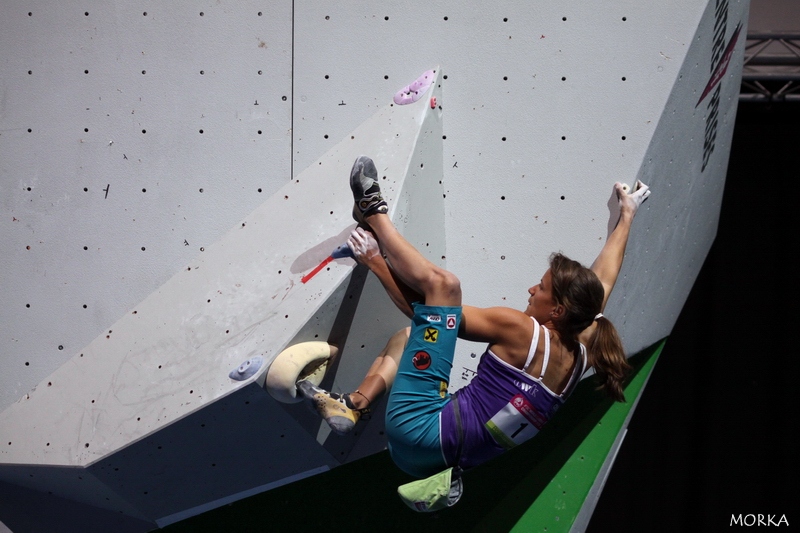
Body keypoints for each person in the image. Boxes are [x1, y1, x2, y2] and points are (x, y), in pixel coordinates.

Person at [298, 155, 650, 478]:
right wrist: (626, 217)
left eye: (540, 289)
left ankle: (371, 209)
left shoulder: (523, 331)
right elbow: (601, 284)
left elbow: (429, 307)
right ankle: (353, 405)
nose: (531, 290)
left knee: (445, 285)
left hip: (419, 427)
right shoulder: (580, 357)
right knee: (405, 340)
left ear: (557, 311)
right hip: (427, 465)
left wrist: (376, 261)